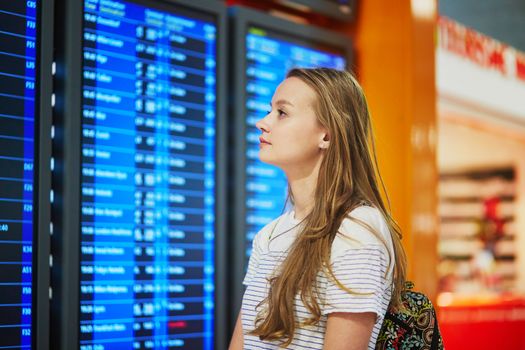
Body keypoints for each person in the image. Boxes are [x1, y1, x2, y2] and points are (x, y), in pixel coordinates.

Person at [229, 68, 407, 350]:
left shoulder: (357, 231)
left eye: (282, 113)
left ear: (326, 134)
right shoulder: (269, 235)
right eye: (269, 111)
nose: (262, 123)